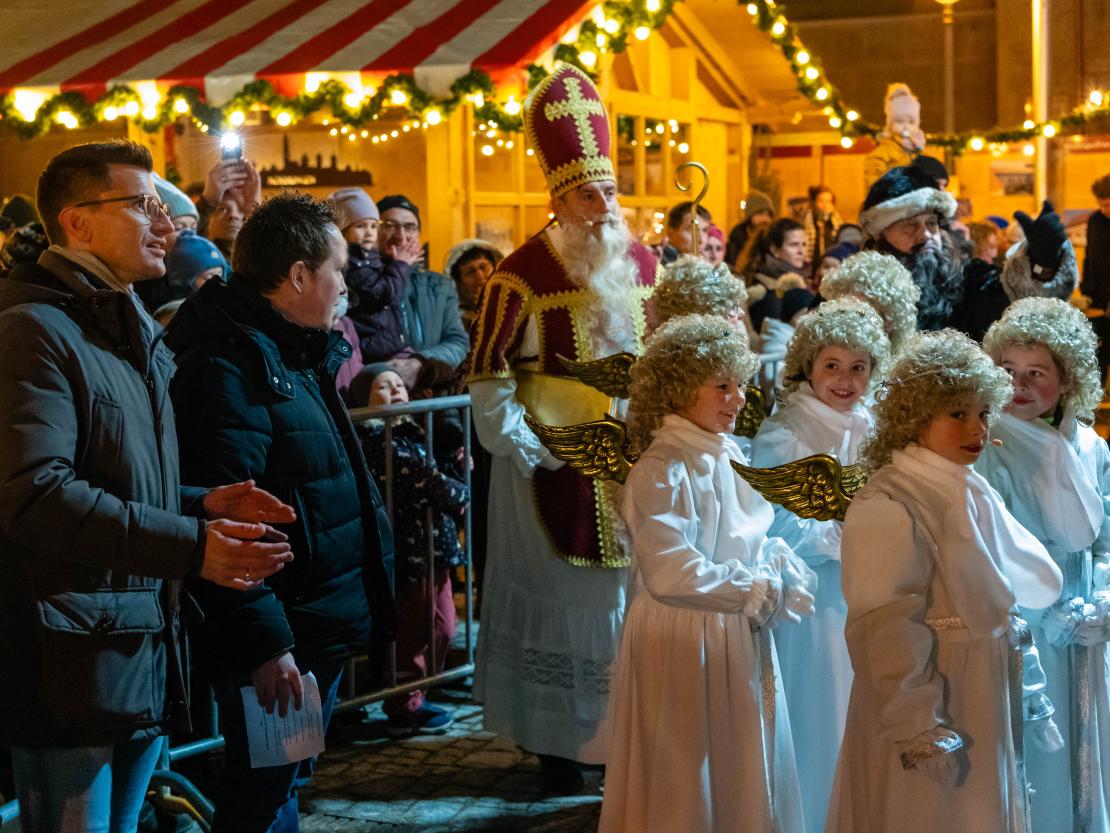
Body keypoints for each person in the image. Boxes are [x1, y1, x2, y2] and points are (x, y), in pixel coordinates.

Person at [0, 139, 295, 833]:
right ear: (78, 222)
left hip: (137, 636)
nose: (165, 224)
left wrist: (198, 503)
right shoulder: (34, 330)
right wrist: (193, 543)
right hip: (68, 654)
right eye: (143, 205)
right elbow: (35, 495)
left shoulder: (123, 324)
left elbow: (113, 478)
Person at [164, 193, 395, 832]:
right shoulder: (231, 367)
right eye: (337, 269)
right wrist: (267, 643)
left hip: (310, 621)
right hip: (280, 635)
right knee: (261, 793)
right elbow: (229, 516)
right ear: (297, 276)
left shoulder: (287, 350)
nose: (345, 285)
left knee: (284, 778)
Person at [467, 63, 658, 793]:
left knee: (626, 601)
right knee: (566, 604)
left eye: (609, 191)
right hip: (549, 459)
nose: (603, 206)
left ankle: (624, 733)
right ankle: (560, 739)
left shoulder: (643, 261)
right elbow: (488, 375)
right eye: (587, 193)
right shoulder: (519, 274)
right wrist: (521, 447)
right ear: (557, 197)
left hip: (631, 457)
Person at [827, 329, 1064, 833]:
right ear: (916, 417)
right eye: (956, 413)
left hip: (979, 690)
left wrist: (1031, 691)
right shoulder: (889, 503)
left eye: (981, 412)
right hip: (937, 696)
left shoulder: (973, 492)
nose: (976, 428)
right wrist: (920, 726)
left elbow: (1011, 603)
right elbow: (884, 623)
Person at [599, 314, 814, 833]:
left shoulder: (724, 454)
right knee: (686, 763)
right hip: (686, 630)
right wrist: (753, 588)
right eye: (721, 386)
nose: (738, 398)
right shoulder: (664, 467)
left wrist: (773, 560)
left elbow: (746, 534)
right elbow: (671, 569)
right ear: (675, 391)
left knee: (739, 757)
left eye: (739, 384)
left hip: (729, 626)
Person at [750, 297, 890, 833]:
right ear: (808, 366)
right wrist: (834, 535)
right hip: (818, 595)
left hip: (872, 586)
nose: (845, 380)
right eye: (832, 365)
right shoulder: (787, 433)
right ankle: (812, 812)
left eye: (859, 368)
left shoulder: (877, 427)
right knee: (823, 702)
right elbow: (771, 522)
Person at [977, 298, 1110, 832]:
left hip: (1086, 629)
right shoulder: (986, 444)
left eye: (1037, 373)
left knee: (1089, 749)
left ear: (1068, 378)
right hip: (1027, 626)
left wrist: (1101, 597)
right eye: (1007, 371)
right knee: (1038, 756)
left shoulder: (1090, 444)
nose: (1020, 386)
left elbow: (1101, 541)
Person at [358, 364, 468, 736]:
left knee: (443, 624)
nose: (396, 391)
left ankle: (415, 692)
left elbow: (438, 473)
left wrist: (455, 468)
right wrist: (461, 493)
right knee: (417, 626)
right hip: (412, 550)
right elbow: (429, 482)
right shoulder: (379, 441)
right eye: (383, 387)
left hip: (435, 546)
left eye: (399, 386)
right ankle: (403, 703)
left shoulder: (413, 433)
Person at [860, 165, 1077, 335]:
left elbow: (1017, 303)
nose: (925, 234)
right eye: (909, 226)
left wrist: (1044, 261)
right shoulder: (859, 290)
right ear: (880, 234)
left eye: (931, 223)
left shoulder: (968, 278)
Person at [376, 194, 469, 395]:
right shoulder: (365, 285)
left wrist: (420, 365)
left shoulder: (440, 285)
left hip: (436, 398)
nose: (401, 235)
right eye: (390, 225)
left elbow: (458, 342)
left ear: (419, 235)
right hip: (383, 397)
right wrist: (394, 373)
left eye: (410, 227)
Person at [327, 187, 410, 370]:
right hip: (370, 348)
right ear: (342, 231)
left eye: (373, 226)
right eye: (360, 226)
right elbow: (381, 293)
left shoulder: (371, 258)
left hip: (388, 342)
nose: (369, 232)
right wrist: (400, 265)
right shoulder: (351, 263)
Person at [820, 249, 920, 352]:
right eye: (840, 310)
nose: (847, 320)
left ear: (889, 323)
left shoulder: (902, 366)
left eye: (861, 312)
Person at [745, 218, 808, 331]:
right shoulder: (763, 288)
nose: (801, 251)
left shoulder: (804, 279)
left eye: (804, 244)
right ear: (774, 250)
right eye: (794, 245)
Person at [863, 83, 926, 189]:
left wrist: (920, 153)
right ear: (890, 125)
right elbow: (874, 189)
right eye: (900, 122)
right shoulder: (880, 155)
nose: (906, 127)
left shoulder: (921, 152)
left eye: (911, 122)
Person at [443, 238, 503, 333]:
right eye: (470, 272)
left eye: (483, 267)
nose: (479, 276)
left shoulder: (512, 306)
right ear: (458, 282)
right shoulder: (453, 320)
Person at [726, 190, 775, 270]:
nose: (765, 219)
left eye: (768, 215)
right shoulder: (738, 237)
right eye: (760, 213)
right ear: (750, 215)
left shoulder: (772, 238)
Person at [801, 184, 843, 265]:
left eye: (829, 201)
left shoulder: (838, 224)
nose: (825, 205)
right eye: (821, 201)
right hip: (809, 267)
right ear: (813, 203)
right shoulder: (805, 222)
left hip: (832, 267)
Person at [660, 199, 711, 263]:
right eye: (693, 230)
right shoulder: (658, 265)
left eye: (705, 230)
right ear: (671, 233)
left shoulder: (702, 265)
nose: (701, 240)